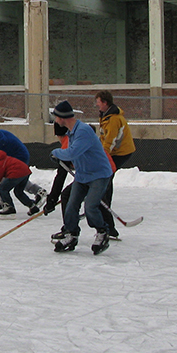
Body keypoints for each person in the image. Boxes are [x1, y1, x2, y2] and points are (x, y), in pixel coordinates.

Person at [49, 100, 114, 254]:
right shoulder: (72, 132)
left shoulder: (83, 131)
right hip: (83, 175)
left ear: (62, 117)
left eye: (56, 117)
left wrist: (56, 152)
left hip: (99, 174)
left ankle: (102, 232)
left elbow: (73, 153)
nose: (55, 120)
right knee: (71, 206)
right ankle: (71, 234)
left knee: (91, 206)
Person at [95, 90, 136, 231]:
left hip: (120, 153)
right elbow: (103, 137)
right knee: (106, 178)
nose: (97, 105)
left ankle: (106, 217)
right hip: (113, 152)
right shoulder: (105, 116)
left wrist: (102, 156)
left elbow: (110, 142)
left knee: (106, 177)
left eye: (99, 103)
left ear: (105, 103)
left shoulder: (113, 119)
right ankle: (103, 205)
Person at [0, 127, 35, 212]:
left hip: (20, 159)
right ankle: (32, 206)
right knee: (18, 191)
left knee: (3, 188)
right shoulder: (1, 136)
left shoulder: (0, 145)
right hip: (24, 169)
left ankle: (9, 207)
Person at [0, 145, 44, 215]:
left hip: (16, 173)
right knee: (18, 192)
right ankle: (32, 207)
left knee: (2, 189)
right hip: (25, 171)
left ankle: (10, 208)